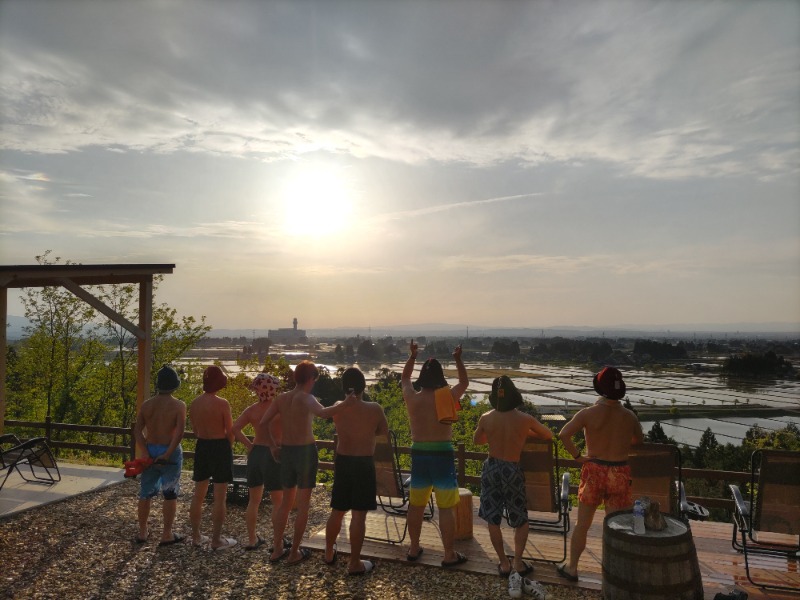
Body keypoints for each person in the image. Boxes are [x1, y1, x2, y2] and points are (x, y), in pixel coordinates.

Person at [260, 360, 357, 565]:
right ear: (311, 379)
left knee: (286, 503)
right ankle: (294, 551)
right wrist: (346, 404)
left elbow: (263, 423)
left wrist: (272, 446)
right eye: (314, 379)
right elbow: (323, 413)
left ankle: (277, 548)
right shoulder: (306, 398)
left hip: (286, 451)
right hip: (304, 452)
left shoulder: (282, 399)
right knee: (303, 505)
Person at [556, 366, 644, 582]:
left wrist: (578, 456)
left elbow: (564, 434)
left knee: (582, 524)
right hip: (620, 472)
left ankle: (572, 568)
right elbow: (638, 441)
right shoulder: (629, 416)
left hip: (594, 470)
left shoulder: (588, 413)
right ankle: (616, 572)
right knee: (617, 527)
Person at [472, 375, 550, 600]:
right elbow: (548, 435)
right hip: (512, 469)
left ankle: (503, 563)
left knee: (492, 517)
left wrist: (491, 432)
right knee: (520, 517)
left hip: (492, 467)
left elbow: (478, 440)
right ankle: (518, 561)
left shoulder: (486, 417)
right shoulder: (524, 419)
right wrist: (524, 433)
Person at [401, 340, 469, 568]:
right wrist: (458, 359)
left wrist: (412, 356)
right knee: (446, 507)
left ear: (422, 377)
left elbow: (404, 379)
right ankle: (449, 554)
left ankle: (413, 548)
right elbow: (464, 382)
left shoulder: (413, 398)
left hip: (419, 455)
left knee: (416, 505)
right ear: (440, 378)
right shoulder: (447, 397)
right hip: (443, 455)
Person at [324, 367, 389, 575]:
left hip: (343, 461)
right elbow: (383, 431)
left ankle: (328, 552)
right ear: (364, 386)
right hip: (363, 463)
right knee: (358, 516)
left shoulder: (338, 407)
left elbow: (328, 415)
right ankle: (354, 563)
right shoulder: (375, 409)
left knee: (338, 509)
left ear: (344, 387)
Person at [133, 365, 186, 546]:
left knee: (145, 492)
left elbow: (137, 431)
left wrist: (145, 451)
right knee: (170, 493)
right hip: (169, 450)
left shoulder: (147, 405)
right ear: (174, 385)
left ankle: (142, 532)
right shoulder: (179, 405)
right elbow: (179, 433)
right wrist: (169, 453)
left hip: (151, 449)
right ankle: (167, 533)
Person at [231, 372, 286, 551]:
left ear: (257, 390)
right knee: (278, 501)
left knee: (253, 501)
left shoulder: (252, 410)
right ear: (274, 390)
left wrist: (249, 445)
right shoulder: (279, 409)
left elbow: (235, 428)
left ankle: (252, 539)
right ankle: (278, 540)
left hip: (256, 453)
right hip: (273, 453)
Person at [188, 365, 238, 550]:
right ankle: (216, 539)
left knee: (198, 495)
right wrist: (228, 447)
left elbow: (195, 430)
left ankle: (196, 536)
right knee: (219, 497)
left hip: (202, 446)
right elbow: (230, 432)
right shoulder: (222, 403)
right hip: (220, 447)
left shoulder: (194, 403)